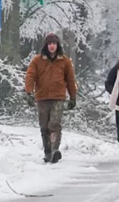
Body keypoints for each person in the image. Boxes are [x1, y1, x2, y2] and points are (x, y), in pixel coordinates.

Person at [24, 33, 78, 164]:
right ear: (46, 46)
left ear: (57, 45)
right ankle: (47, 152)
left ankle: (55, 150)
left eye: (54, 44)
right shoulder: (37, 61)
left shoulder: (65, 61)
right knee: (44, 126)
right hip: (42, 98)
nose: (52, 46)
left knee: (55, 124)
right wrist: (29, 92)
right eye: (50, 44)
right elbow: (30, 76)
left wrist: (73, 97)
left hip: (58, 97)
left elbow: (70, 80)